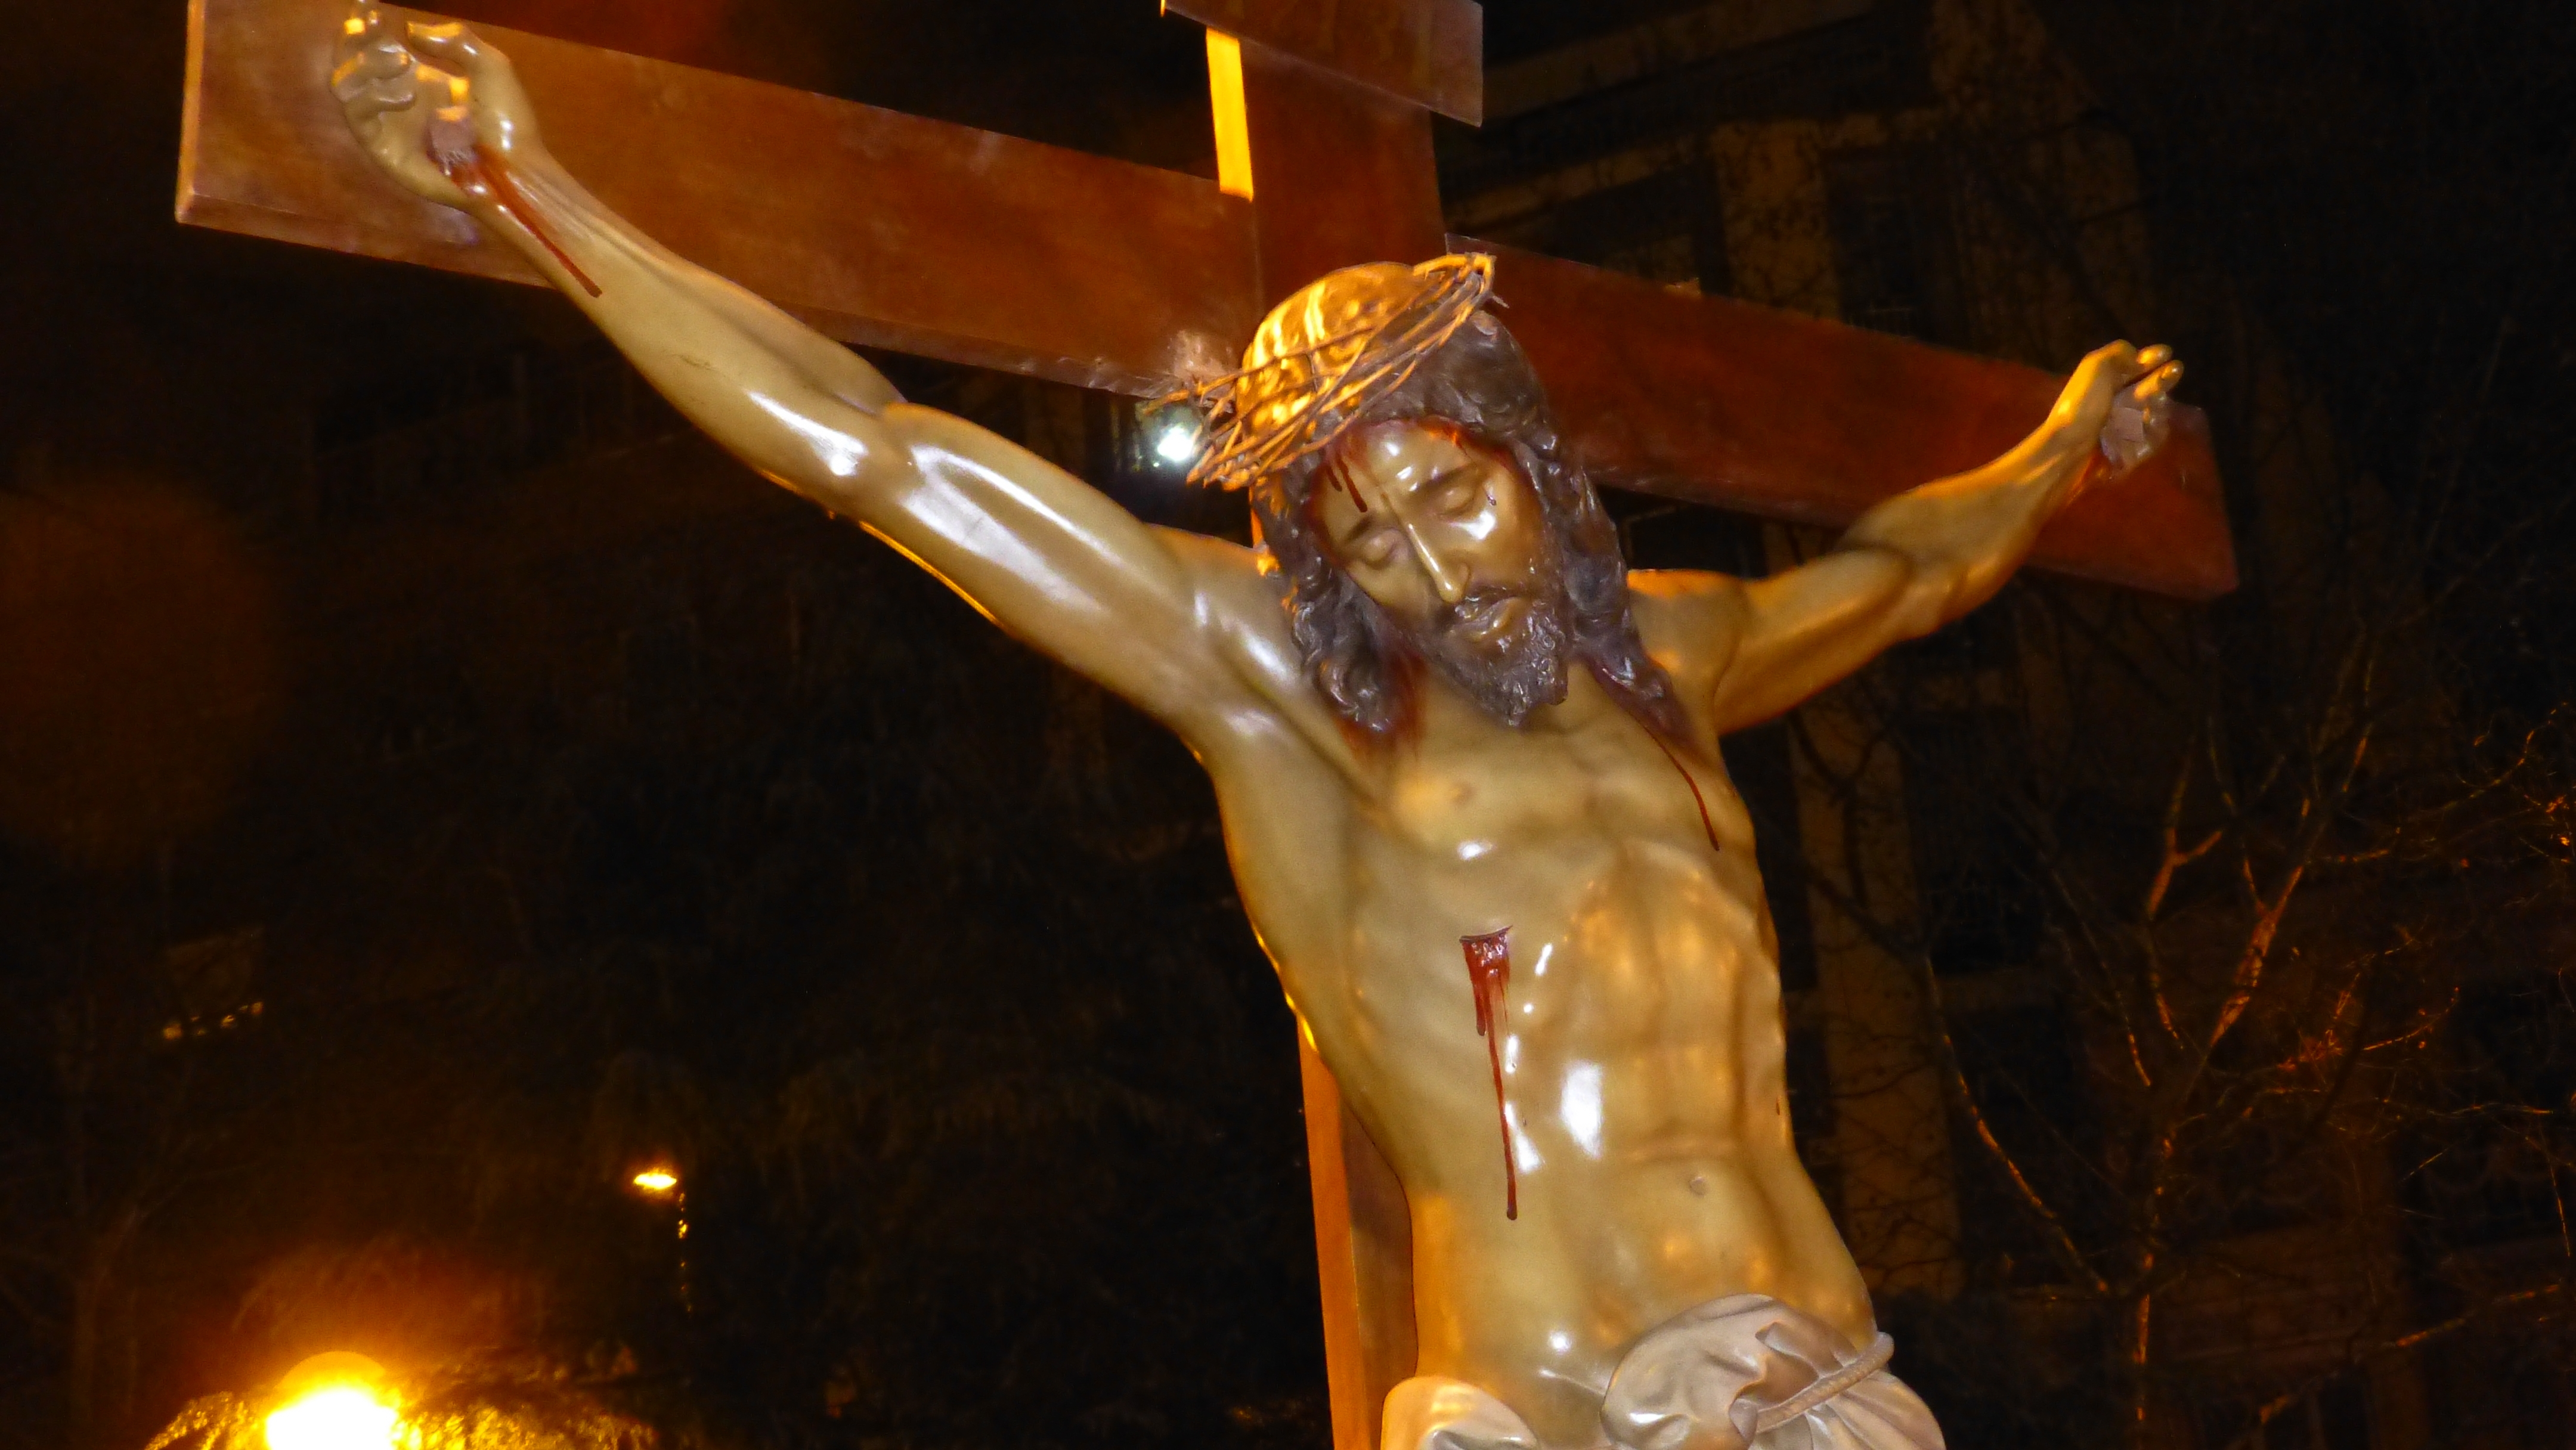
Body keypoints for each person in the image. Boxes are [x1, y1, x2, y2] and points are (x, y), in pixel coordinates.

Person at [330, 11, 2181, 1449]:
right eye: (1366, 544)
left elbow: (1906, 572)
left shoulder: (1680, 658)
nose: (1431, 575)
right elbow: (873, 453)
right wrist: (523, 187)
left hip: (1824, 1365)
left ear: (1530, 462)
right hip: (1557, 1394)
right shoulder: (1279, 690)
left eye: (1450, 498)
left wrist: (2063, 449)